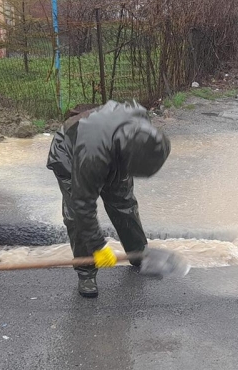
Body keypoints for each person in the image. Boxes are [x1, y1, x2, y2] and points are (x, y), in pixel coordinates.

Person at [47, 101, 171, 298]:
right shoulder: (92, 155)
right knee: (76, 219)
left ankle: (138, 253)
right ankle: (86, 271)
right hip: (71, 154)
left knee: (124, 203)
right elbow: (83, 206)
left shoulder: (141, 126)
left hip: (114, 152)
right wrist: (98, 246)